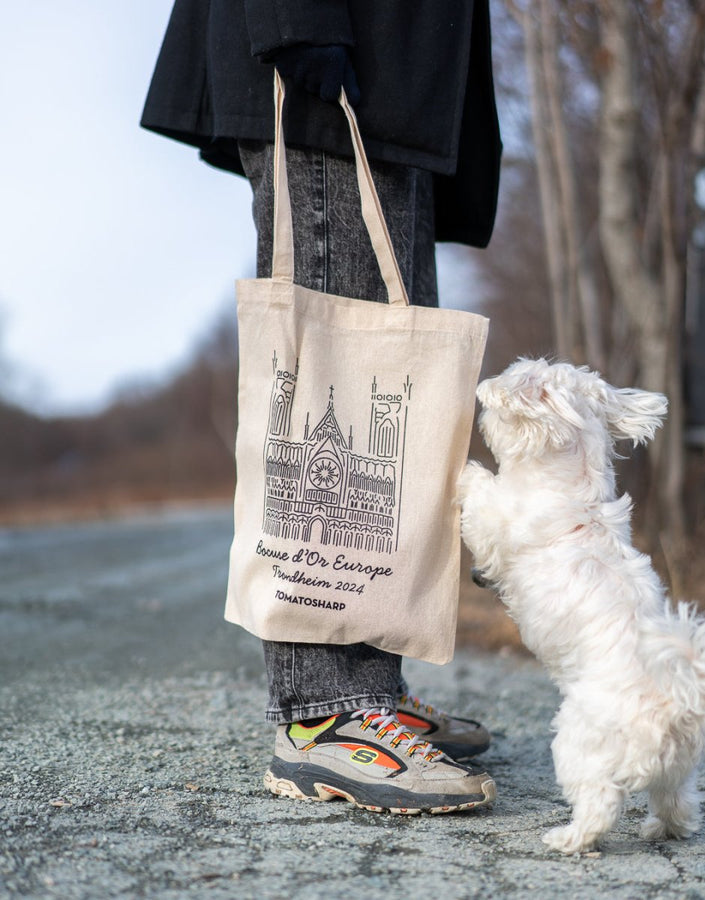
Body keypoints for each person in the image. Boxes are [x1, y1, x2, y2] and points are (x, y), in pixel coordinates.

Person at [141, 0, 502, 814]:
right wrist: (296, 15)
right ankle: (324, 713)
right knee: (336, 351)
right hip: (339, 47)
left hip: (396, 78)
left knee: (382, 344)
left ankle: (369, 688)